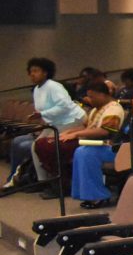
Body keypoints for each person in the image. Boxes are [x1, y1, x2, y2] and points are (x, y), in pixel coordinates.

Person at [72, 86, 133, 208]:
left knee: (87, 153)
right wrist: (114, 142)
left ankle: (99, 196)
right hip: (119, 148)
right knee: (81, 151)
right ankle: (88, 194)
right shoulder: (132, 114)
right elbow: (120, 133)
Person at [5, 58, 86, 190]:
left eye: (36, 71)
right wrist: (40, 115)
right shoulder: (37, 89)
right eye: (30, 72)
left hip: (71, 121)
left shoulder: (54, 86)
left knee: (40, 145)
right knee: (35, 146)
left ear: (45, 73)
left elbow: (65, 106)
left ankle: (52, 181)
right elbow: (43, 110)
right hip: (55, 122)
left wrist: (43, 114)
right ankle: (42, 180)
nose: (32, 74)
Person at [36, 81, 125, 198]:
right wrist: (68, 132)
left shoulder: (114, 109)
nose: (89, 100)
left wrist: (76, 134)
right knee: (42, 143)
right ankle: (59, 181)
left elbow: (104, 131)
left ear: (102, 95)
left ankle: (62, 184)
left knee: (53, 147)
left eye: (92, 97)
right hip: (86, 140)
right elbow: (85, 126)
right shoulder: (96, 109)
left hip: (99, 143)